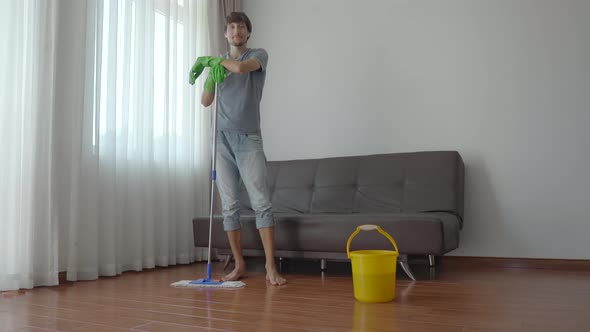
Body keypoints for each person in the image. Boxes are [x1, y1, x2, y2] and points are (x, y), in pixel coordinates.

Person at [199, 12, 286, 286]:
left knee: (261, 203)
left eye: (241, 27)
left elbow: (239, 69)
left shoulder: (258, 55)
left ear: (248, 33)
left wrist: (214, 61)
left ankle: (271, 268)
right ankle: (239, 264)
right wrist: (211, 78)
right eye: (232, 27)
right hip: (221, 140)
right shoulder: (218, 65)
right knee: (229, 207)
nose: (237, 30)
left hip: (248, 139)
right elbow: (205, 101)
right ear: (225, 33)